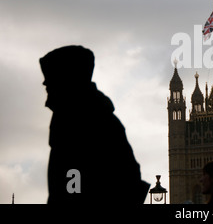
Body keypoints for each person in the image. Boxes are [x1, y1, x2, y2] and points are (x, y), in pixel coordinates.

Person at [40, 45, 150, 204]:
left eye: (50, 77)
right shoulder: (92, 116)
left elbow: (72, 175)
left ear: (67, 78)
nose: (45, 83)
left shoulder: (77, 121)